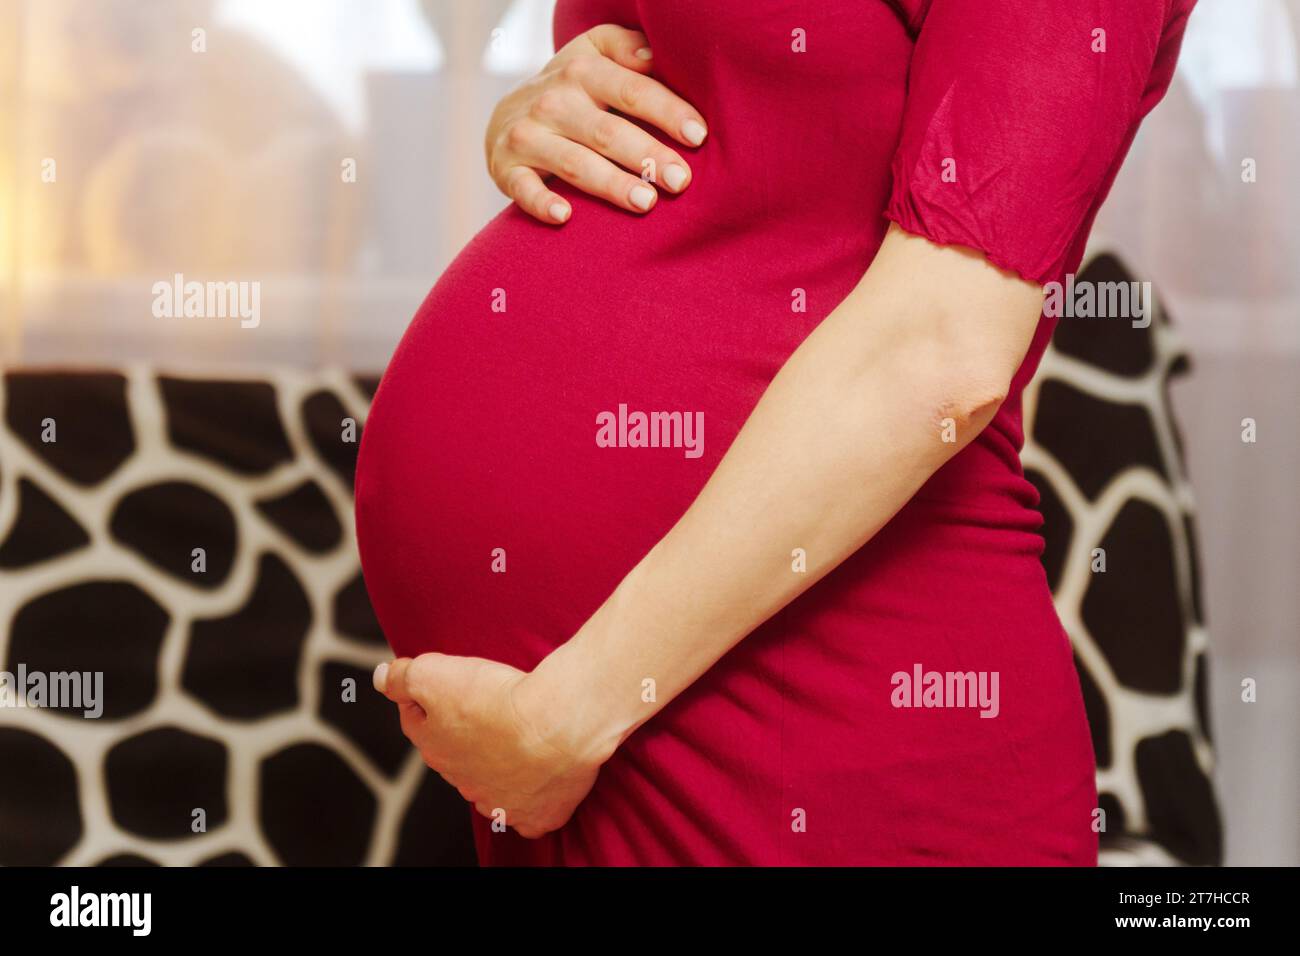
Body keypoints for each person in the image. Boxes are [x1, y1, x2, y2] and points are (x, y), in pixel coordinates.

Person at [356, 0, 1198, 865]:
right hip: (588, 740)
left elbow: (945, 348)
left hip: (821, 729)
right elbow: (737, 115)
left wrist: (567, 715)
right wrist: (542, 112)